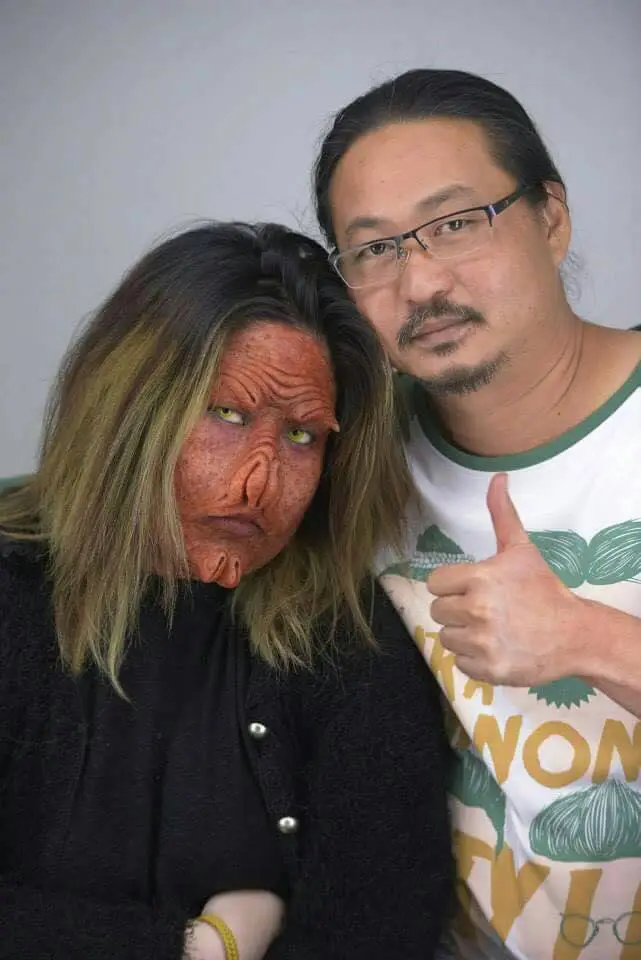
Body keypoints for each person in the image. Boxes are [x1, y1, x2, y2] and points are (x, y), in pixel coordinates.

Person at [0, 221, 454, 960]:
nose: (258, 484)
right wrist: (202, 947)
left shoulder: (345, 640)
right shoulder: (13, 590)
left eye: (303, 436)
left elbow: (380, 932)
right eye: (228, 414)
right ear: (128, 407)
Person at [313, 69, 641, 959]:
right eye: (374, 250)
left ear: (550, 218)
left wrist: (585, 640)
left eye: (456, 223)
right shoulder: (349, 461)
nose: (420, 282)